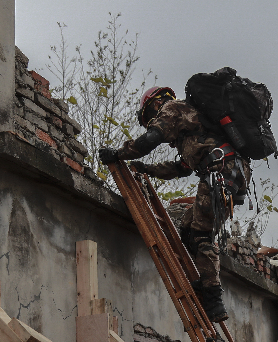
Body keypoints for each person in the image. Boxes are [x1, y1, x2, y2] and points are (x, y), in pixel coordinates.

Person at [98, 86, 251, 322]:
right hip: (230, 173)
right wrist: (146, 169)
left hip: (221, 172)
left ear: (155, 104)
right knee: (189, 230)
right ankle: (205, 281)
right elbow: (180, 169)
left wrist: (119, 154)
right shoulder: (191, 131)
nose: (152, 122)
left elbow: (150, 139)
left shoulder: (171, 108)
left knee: (201, 236)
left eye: (149, 116)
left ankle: (213, 298)